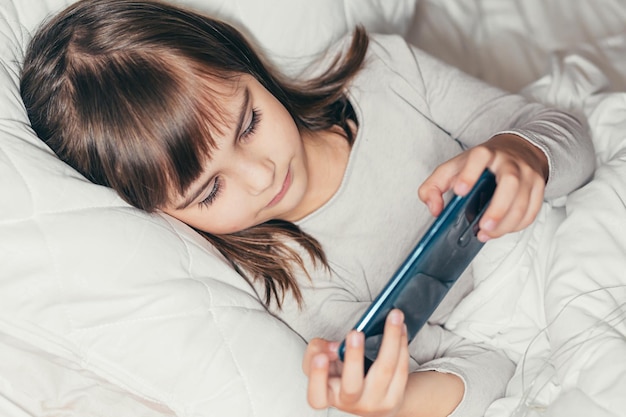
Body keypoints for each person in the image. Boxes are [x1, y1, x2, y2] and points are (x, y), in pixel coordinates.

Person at [19, 0, 595, 416]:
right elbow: (490, 358)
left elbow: (566, 135)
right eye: (210, 192)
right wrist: (403, 402)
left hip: (574, 235)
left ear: (242, 61)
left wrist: (523, 153)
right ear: (170, 217)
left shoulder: (385, 77)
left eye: (248, 124)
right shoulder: (291, 291)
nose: (261, 175)